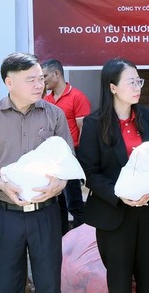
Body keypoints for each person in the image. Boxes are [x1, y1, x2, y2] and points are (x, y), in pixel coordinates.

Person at [0, 52, 73, 293]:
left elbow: (66, 161)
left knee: (49, 284)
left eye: (40, 78)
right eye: (31, 79)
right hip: (6, 214)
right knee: (8, 284)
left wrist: (61, 181)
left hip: (46, 214)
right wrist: (3, 185)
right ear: (9, 82)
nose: (39, 84)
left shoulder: (54, 114)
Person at [77, 58, 149, 292]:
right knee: (119, 282)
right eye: (131, 82)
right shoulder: (94, 123)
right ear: (113, 87)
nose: (138, 87)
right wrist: (120, 195)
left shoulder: (146, 116)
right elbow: (89, 172)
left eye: (139, 81)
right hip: (115, 212)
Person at [42, 58, 91, 230]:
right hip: (52, 159)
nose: (43, 80)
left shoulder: (77, 97)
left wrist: (81, 159)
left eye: (45, 76)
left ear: (57, 74)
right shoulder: (46, 100)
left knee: (74, 203)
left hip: (71, 155)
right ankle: (62, 243)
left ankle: (80, 244)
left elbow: (83, 130)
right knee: (57, 203)